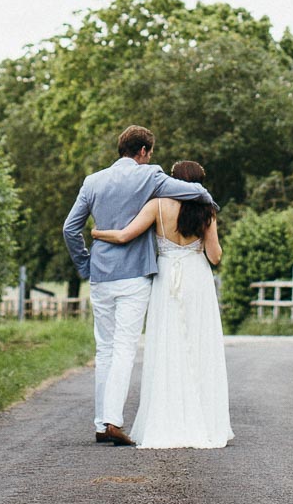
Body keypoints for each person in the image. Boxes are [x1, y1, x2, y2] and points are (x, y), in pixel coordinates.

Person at [62, 126, 218, 447]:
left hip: (100, 274)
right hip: (133, 275)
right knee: (123, 347)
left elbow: (70, 228)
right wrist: (208, 202)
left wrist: (84, 264)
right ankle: (113, 421)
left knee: (104, 348)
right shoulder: (151, 177)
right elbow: (196, 193)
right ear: (144, 152)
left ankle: (100, 422)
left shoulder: (93, 182)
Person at [91, 159, 232, 448]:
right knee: (199, 345)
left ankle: (166, 419)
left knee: (167, 345)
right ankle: (205, 420)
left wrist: (96, 233)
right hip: (196, 279)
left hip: (167, 277)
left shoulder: (157, 205)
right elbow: (215, 257)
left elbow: (124, 235)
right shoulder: (207, 210)